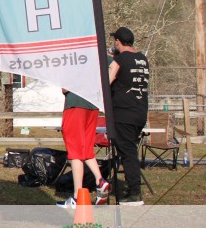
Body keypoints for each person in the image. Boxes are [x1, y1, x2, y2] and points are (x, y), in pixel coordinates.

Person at [109, 26, 150, 206]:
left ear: (118, 41)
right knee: (130, 149)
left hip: (123, 112)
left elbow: (107, 80)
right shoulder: (142, 59)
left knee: (128, 153)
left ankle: (135, 193)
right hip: (140, 112)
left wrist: (111, 62)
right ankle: (132, 188)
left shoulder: (120, 60)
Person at [56, 88, 112, 209]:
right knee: (86, 148)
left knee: (75, 151)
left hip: (75, 104)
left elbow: (65, 89)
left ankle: (77, 197)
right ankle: (100, 180)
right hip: (92, 105)